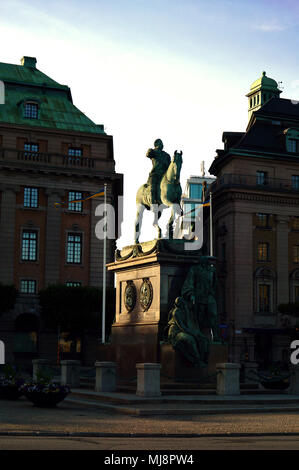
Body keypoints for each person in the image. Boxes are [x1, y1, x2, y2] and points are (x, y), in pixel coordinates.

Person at [181, 257, 220, 342]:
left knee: (213, 314)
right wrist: (191, 294)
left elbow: (215, 284)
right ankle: (198, 334)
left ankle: (216, 335)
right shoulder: (195, 269)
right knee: (199, 317)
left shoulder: (212, 270)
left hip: (209, 296)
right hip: (199, 296)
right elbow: (189, 282)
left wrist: (213, 292)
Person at [167, 297, 209, 367]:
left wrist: (196, 334)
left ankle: (202, 359)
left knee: (202, 340)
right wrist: (193, 334)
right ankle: (197, 360)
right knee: (190, 339)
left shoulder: (186, 312)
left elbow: (190, 325)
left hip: (183, 331)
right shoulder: (176, 312)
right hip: (176, 332)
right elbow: (182, 327)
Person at [146, 139, 171, 205]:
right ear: (156, 145)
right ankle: (153, 203)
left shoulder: (166, 155)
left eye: (162, 143)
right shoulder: (153, 152)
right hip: (155, 174)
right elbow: (148, 154)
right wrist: (152, 150)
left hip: (164, 175)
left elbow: (170, 166)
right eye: (160, 143)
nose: (162, 145)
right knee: (152, 188)